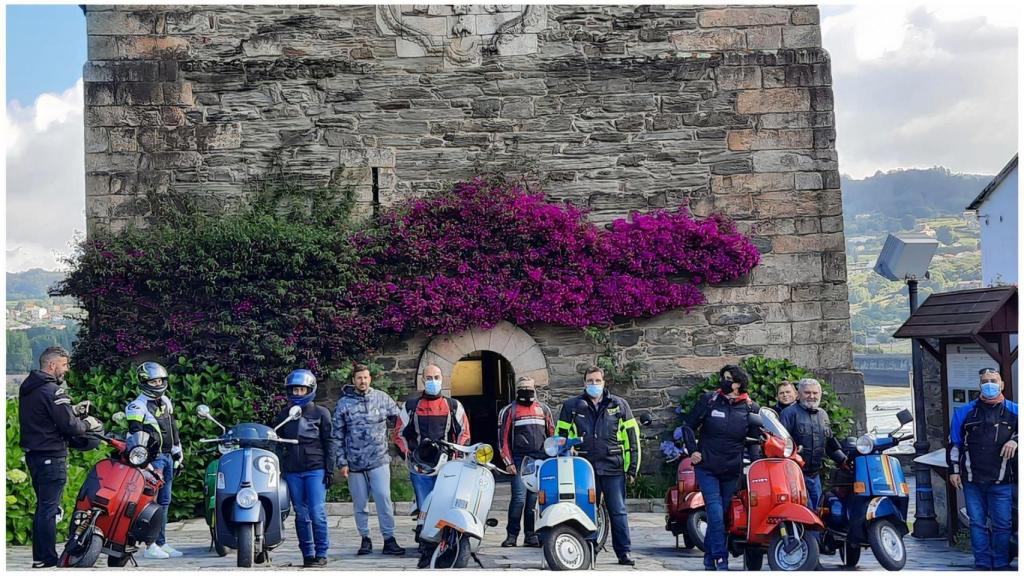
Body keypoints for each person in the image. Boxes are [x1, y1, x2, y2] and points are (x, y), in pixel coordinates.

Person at [19, 346, 102, 568]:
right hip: (52, 456)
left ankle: (40, 557)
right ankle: (46, 559)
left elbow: (45, 417)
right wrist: (88, 423)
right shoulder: (52, 391)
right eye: (64, 365)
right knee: (49, 508)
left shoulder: (29, 388)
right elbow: (71, 427)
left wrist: (72, 410)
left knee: (43, 507)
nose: (66, 370)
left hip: (35, 455)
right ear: (52, 365)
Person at [555, 366, 640, 566]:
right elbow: (560, 438)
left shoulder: (619, 405)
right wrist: (565, 453)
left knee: (618, 511)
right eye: (590, 381)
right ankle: (588, 549)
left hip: (613, 467)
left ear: (604, 382)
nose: (594, 384)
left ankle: (624, 553)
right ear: (584, 383)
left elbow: (632, 439)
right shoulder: (572, 406)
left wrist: (632, 468)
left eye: (597, 381)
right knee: (585, 511)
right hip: (584, 468)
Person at [681, 365, 761, 571]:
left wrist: (755, 466)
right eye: (723, 377)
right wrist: (693, 451)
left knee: (722, 516)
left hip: (731, 470)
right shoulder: (709, 400)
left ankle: (709, 558)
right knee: (715, 513)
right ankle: (720, 558)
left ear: (738, 384)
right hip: (707, 467)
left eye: (728, 379)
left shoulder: (751, 408)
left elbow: (754, 441)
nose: (723, 381)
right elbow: (687, 426)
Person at [395, 363, 471, 568]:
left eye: (436, 377)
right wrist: (409, 455)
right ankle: (425, 545)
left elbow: (464, 432)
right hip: (421, 465)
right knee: (424, 506)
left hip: (447, 464)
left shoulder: (453, 405)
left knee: (447, 503)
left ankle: (447, 540)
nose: (433, 381)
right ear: (423, 380)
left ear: (442, 380)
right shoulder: (411, 406)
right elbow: (399, 433)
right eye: (429, 378)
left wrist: (456, 454)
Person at [947, 367, 1018, 571]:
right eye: (985, 381)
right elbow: (954, 444)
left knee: (1002, 524)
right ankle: (983, 563)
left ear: (1002, 384)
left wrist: (1015, 441)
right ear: (979, 385)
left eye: (994, 380)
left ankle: (1001, 562)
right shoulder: (965, 412)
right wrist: (953, 470)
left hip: (1002, 480)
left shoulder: (1015, 411)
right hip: (972, 480)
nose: (990, 384)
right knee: (977, 523)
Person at [332, 364, 406, 556]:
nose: (362, 381)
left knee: (384, 499)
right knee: (360, 504)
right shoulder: (343, 404)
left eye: (365, 377)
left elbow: (400, 422)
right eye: (359, 378)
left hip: (379, 460)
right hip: (354, 464)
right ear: (353, 380)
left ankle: (389, 539)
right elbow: (337, 435)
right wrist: (342, 462)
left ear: (370, 378)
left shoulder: (381, 398)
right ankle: (365, 539)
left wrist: (399, 443)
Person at [275, 369, 337, 567]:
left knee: (317, 511)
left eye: (302, 389)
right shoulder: (283, 415)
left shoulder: (321, 413)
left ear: (310, 390)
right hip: (292, 470)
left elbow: (330, 442)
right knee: (300, 513)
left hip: (315, 468)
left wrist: (329, 469)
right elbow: (275, 440)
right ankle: (307, 553)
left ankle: (322, 552)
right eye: (295, 390)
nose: (298, 393)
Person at [125, 362, 185, 560]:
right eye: (153, 380)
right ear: (144, 382)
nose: (158, 383)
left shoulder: (166, 401)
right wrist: (145, 464)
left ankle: (161, 542)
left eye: (160, 380)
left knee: (165, 502)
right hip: (153, 460)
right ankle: (149, 545)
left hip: (168, 456)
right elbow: (134, 435)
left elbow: (172, 428)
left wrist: (178, 453)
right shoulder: (136, 406)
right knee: (151, 503)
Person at [497, 376, 554, 548]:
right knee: (519, 499)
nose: (526, 390)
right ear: (517, 390)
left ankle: (530, 535)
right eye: (522, 388)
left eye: (529, 388)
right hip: (519, 460)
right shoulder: (509, 411)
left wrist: (552, 459)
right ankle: (512, 535)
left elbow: (552, 435)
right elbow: (502, 440)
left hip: (540, 460)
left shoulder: (544, 409)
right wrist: (508, 462)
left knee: (533, 501)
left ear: (534, 388)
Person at [779, 378, 847, 513]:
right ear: (799, 394)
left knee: (817, 510)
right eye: (807, 393)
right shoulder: (788, 413)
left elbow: (829, 442)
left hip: (815, 475)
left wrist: (843, 460)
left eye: (815, 393)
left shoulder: (823, 415)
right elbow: (780, 443)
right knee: (806, 511)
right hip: (795, 475)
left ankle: (818, 535)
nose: (811, 396)